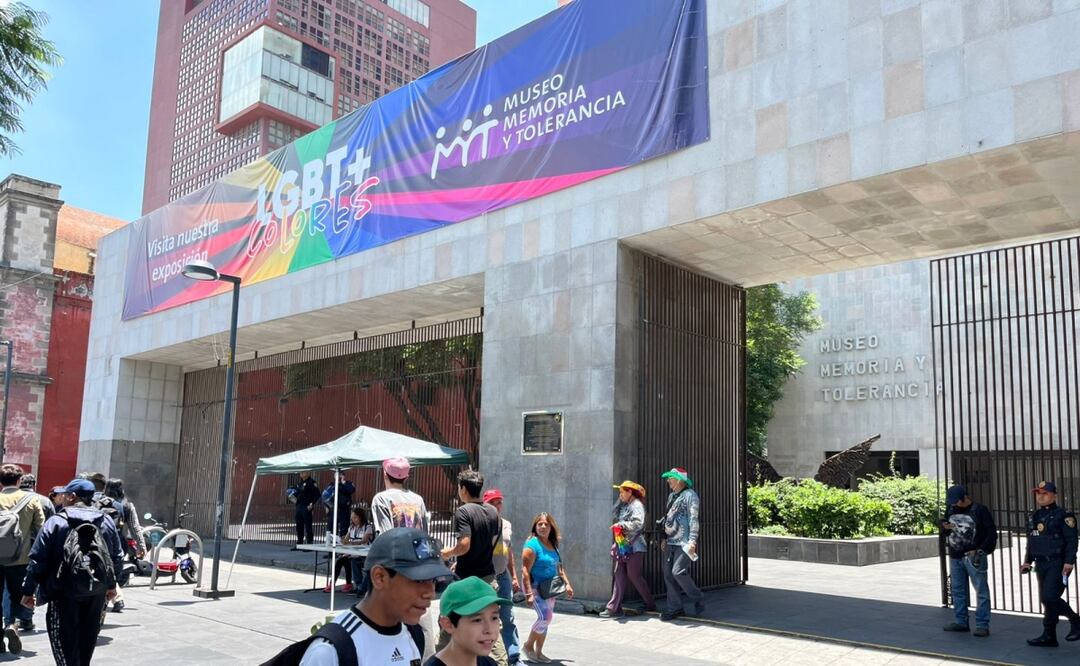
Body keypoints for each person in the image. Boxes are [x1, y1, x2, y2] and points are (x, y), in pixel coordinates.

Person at [299, 527, 452, 665]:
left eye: (433, 581)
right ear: (380, 577)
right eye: (418, 580)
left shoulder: (414, 634)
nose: (430, 594)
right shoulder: (332, 650)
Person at [21, 478, 123, 666]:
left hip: (62, 592)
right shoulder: (106, 520)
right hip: (96, 592)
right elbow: (117, 556)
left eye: (65, 494)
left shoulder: (56, 522)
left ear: (72, 497)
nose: (63, 497)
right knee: (87, 640)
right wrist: (111, 586)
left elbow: (37, 559)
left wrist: (28, 591)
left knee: (63, 642)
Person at [438, 470, 506, 664]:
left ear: (463, 489)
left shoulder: (463, 511)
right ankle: (501, 663)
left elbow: (465, 544)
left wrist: (448, 553)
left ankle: (441, 660)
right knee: (490, 627)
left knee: (451, 623)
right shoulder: (493, 512)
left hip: (466, 581)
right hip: (487, 577)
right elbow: (488, 543)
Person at [1021, 481, 1080, 647]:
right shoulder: (1036, 515)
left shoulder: (1064, 515)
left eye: (1044, 493)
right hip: (1041, 564)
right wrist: (1027, 561)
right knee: (1047, 600)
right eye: (1038, 493)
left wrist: (1069, 562)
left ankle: (1076, 621)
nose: (1040, 496)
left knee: (1050, 597)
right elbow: (1032, 541)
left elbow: (1072, 541)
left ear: (1054, 495)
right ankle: (1049, 636)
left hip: (1058, 563)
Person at [940, 485, 997, 637]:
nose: (953, 504)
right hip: (955, 555)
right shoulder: (951, 509)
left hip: (974, 556)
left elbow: (991, 534)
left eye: (956, 501)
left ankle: (982, 625)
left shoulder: (979, 510)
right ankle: (961, 621)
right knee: (958, 590)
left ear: (965, 498)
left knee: (981, 591)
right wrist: (945, 527)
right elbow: (946, 530)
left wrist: (980, 550)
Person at [0, 464, 45, 651]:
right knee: (18, 595)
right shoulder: (32, 500)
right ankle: (12, 625)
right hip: (20, 559)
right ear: (19, 480)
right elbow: (41, 530)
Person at [520, 512, 573, 664]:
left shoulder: (553, 544)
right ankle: (528, 646)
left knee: (546, 619)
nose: (543, 526)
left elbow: (560, 568)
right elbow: (525, 570)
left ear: (551, 527)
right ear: (535, 527)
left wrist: (567, 584)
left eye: (546, 524)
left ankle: (539, 652)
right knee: (545, 617)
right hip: (534, 587)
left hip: (549, 588)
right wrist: (529, 593)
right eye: (540, 524)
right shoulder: (532, 545)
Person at [427, 576, 510, 666]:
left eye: (494, 618)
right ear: (448, 624)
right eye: (477, 620)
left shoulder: (488, 663)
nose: (489, 629)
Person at [602, 480, 655, 618]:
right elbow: (613, 513)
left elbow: (638, 523)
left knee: (634, 576)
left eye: (622, 492)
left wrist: (622, 525)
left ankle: (650, 603)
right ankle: (613, 608)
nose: (620, 495)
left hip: (635, 546)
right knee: (619, 574)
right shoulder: (625, 505)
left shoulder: (637, 505)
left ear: (630, 492)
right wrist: (620, 501)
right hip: (623, 545)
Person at [659, 467, 703, 621]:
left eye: (671, 478)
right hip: (671, 541)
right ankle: (675, 608)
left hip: (684, 542)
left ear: (679, 480)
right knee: (668, 575)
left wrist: (692, 540)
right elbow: (667, 518)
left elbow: (693, 519)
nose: (668, 481)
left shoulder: (691, 496)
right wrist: (664, 538)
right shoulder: (672, 496)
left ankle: (697, 596)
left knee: (677, 572)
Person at [483, 488, 520, 664]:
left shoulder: (507, 524)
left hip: (503, 574)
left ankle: (513, 654)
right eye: (492, 503)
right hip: (487, 576)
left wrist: (514, 576)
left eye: (499, 502)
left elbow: (508, 551)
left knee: (508, 616)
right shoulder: (482, 524)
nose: (497, 506)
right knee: (488, 616)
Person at [103, 478, 145, 613]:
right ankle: (117, 597)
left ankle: (115, 598)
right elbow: (135, 527)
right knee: (112, 571)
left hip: (99, 543)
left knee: (102, 571)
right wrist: (141, 546)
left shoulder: (98, 502)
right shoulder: (127, 505)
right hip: (118, 544)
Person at [371, 457, 429, 534]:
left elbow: (385, 535)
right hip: (416, 545)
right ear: (406, 478)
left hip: (394, 545)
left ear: (385, 474)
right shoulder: (418, 499)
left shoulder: (381, 499)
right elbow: (424, 532)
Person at [326, 506, 374, 594]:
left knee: (354, 561)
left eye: (355, 517)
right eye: (352, 518)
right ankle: (334, 584)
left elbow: (364, 541)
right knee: (341, 560)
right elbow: (346, 540)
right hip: (352, 553)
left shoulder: (368, 527)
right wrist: (341, 540)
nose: (353, 520)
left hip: (364, 554)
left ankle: (360, 587)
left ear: (361, 517)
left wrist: (351, 543)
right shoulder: (351, 527)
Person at [290, 471, 320, 549]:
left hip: (307, 506)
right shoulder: (299, 484)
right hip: (299, 506)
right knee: (299, 525)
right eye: (301, 473)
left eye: (303, 472)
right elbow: (295, 493)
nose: (301, 474)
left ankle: (309, 543)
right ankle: (299, 543)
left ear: (308, 473)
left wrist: (312, 503)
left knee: (308, 525)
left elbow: (317, 494)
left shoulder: (312, 482)